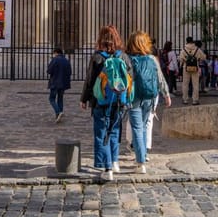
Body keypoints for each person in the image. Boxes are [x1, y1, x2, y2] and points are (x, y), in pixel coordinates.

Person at [80, 25, 133, 181]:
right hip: (119, 101)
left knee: (101, 133)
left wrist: (84, 99)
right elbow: (130, 78)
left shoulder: (97, 57)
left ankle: (107, 167)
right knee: (115, 131)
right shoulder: (123, 56)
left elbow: (89, 80)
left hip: (101, 100)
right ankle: (115, 161)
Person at [125, 31, 171, 174]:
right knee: (144, 126)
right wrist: (166, 94)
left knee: (137, 129)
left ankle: (140, 162)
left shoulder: (127, 59)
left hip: (134, 98)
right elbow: (160, 78)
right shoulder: (152, 59)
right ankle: (143, 155)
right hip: (149, 97)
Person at [178, 36, 206, 105]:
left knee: (185, 84)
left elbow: (180, 59)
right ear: (192, 41)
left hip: (186, 68)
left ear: (186, 41)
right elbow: (204, 57)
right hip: (195, 68)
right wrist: (198, 59)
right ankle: (195, 100)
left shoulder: (184, 50)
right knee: (195, 84)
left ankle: (185, 99)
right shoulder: (197, 49)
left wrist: (184, 61)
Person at [47, 47, 72, 123]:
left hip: (55, 82)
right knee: (60, 99)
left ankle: (58, 112)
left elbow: (49, 71)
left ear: (56, 53)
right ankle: (59, 114)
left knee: (52, 99)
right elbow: (70, 72)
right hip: (63, 83)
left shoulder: (55, 60)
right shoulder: (66, 61)